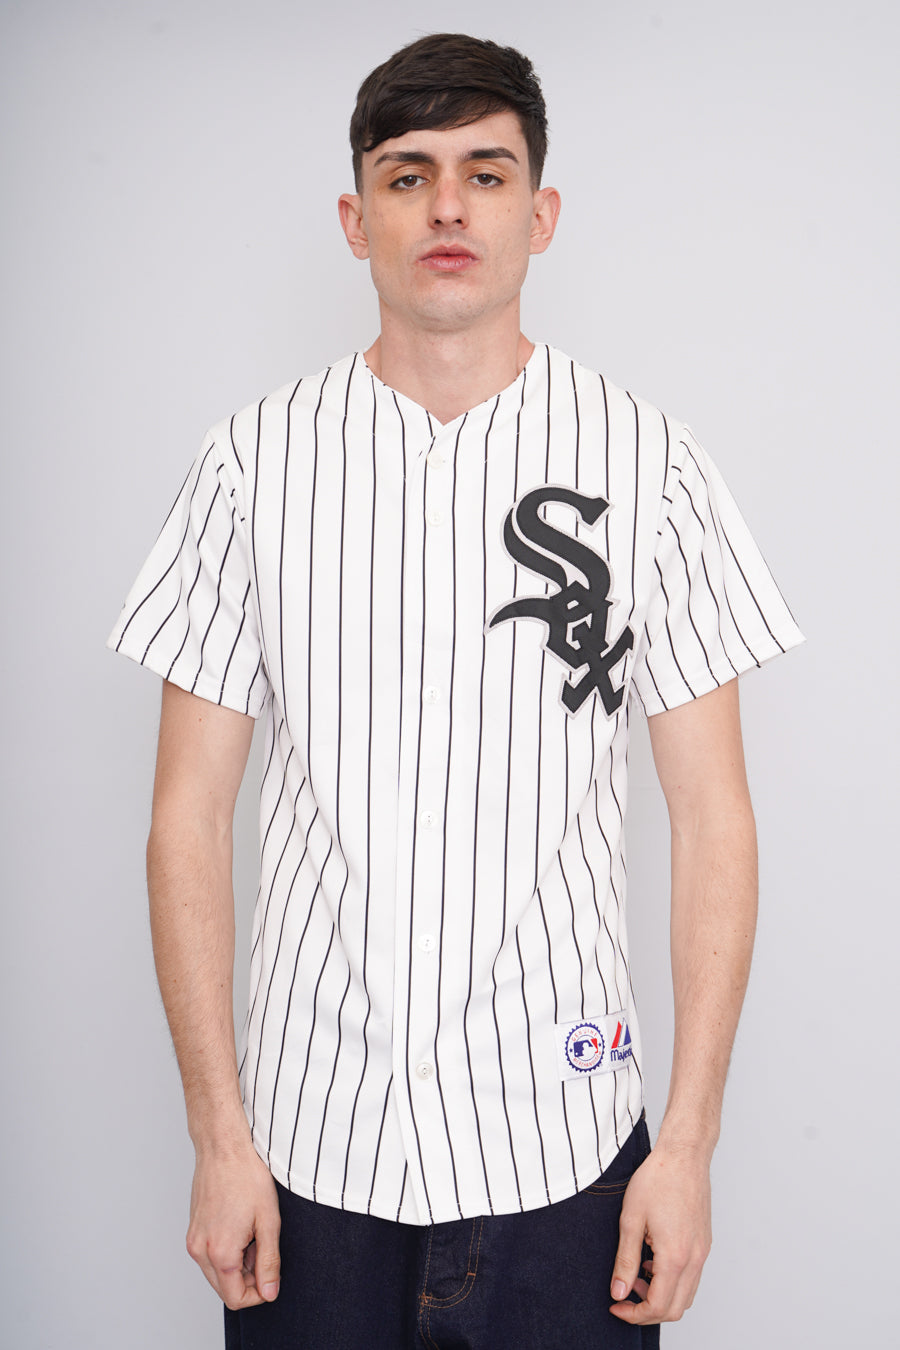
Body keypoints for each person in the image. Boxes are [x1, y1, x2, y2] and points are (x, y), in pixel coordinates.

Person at [109, 32, 803, 1348]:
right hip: (311, 1159)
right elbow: (184, 821)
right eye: (408, 173)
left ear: (540, 215)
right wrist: (217, 1137)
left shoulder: (648, 463)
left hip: (569, 1154)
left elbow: (714, 818)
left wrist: (688, 1147)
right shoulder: (252, 467)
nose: (446, 206)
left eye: (485, 173)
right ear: (354, 218)